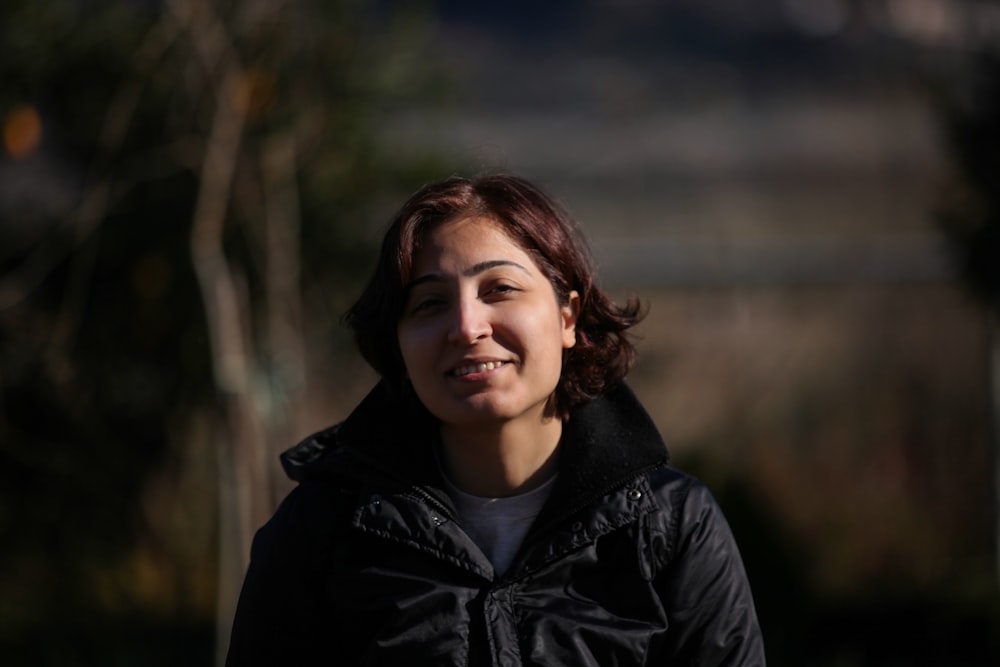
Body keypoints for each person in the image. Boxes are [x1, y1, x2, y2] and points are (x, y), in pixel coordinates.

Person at [225, 173, 765, 666]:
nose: (466, 326)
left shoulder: (669, 526)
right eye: (430, 304)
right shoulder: (320, 531)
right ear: (400, 346)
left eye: (499, 289)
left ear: (567, 317)